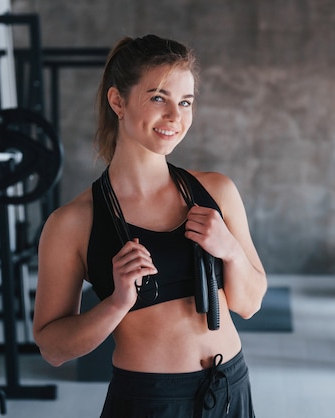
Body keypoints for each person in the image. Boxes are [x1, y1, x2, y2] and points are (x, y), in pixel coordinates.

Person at [32, 34, 267, 417]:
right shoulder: (73, 223)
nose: (176, 116)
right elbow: (53, 349)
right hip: (149, 402)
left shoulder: (217, 191)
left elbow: (250, 304)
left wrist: (230, 251)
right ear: (117, 101)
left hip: (229, 389)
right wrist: (117, 303)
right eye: (159, 97)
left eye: (185, 102)